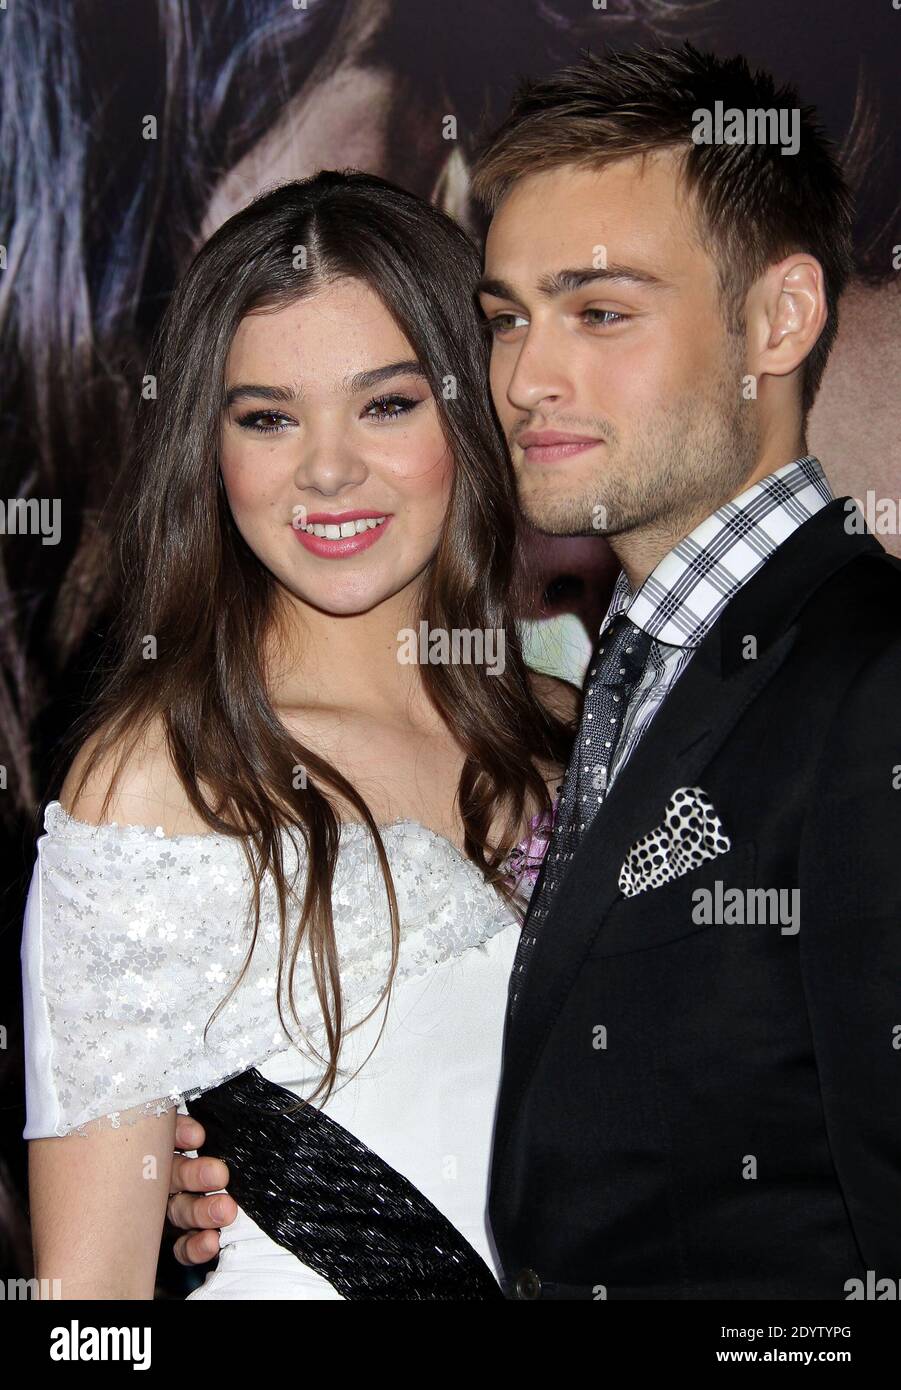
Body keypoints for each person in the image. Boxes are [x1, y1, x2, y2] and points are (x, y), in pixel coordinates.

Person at [172, 44, 901, 1299]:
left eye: (600, 311)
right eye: (505, 319)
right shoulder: (596, 691)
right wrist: (291, 1176)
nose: (523, 379)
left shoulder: (871, 678)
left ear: (778, 319)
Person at [20, 170, 574, 1299]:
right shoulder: (159, 783)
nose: (326, 468)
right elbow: (89, 1306)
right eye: (268, 417)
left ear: (468, 407)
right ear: (208, 451)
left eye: (386, 403)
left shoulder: (583, 737)